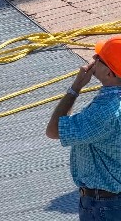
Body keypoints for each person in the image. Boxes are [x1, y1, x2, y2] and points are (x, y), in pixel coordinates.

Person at [46, 37, 121, 218]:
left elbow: (54, 130)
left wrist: (75, 87)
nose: (93, 59)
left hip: (105, 205)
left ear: (110, 73)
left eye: (99, 58)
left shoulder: (105, 111)